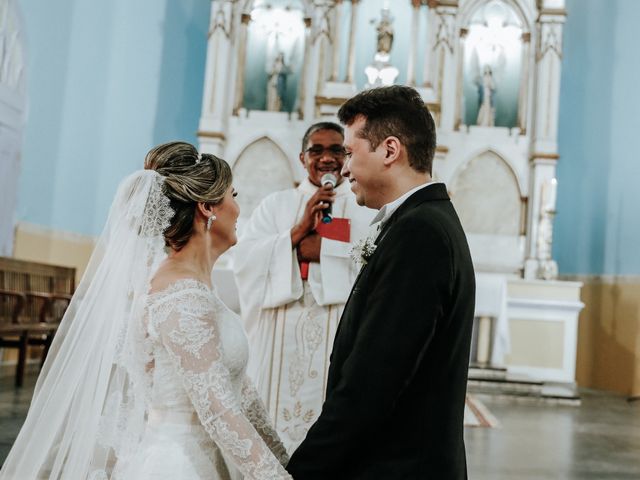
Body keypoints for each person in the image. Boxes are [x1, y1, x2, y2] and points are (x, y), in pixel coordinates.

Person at [0, 142, 291, 480]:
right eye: (233, 195)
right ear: (207, 207)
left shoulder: (191, 287)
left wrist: (284, 458)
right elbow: (218, 411)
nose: (239, 208)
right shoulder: (180, 297)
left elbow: (238, 390)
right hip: (184, 466)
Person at [286, 86, 476, 479]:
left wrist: (299, 473)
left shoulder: (420, 234)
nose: (343, 169)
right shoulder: (422, 221)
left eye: (351, 153)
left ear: (390, 151)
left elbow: (373, 384)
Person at [233, 122, 375, 453]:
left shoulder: (363, 208)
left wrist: (321, 250)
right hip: (279, 328)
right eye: (317, 150)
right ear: (302, 157)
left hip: (336, 325)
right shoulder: (275, 206)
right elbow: (246, 261)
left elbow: (374, 264)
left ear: (348, 155)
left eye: (337, 150)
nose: (327, 158)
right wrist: (296, 234)